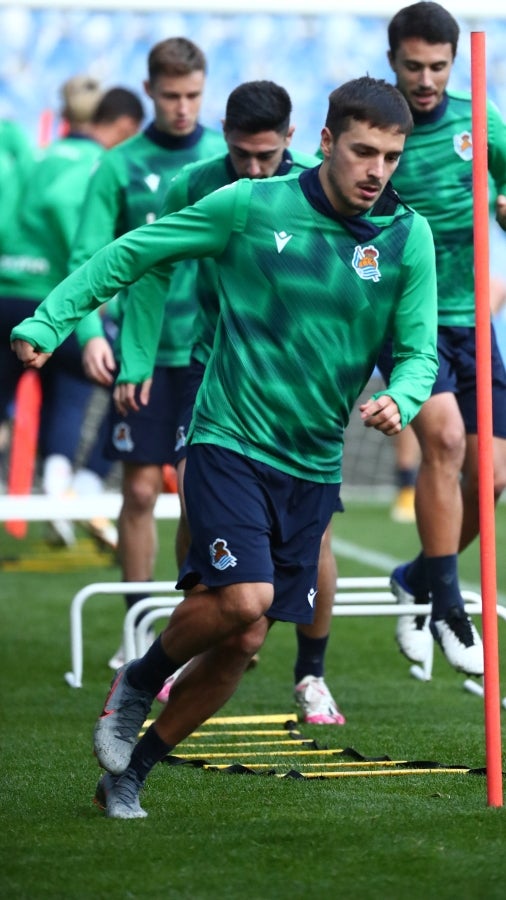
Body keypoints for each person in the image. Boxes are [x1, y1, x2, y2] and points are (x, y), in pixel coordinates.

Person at [11, 74, 439, 818]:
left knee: (243, 643)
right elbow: (135, 252)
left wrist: (401, 398)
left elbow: (418, 351)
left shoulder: (409, 236)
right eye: (364, 151)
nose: (378, 171)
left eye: (392, 157)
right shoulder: (250, 206)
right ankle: (138, 680)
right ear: (326, 143)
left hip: (314, 464)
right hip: (230, 439)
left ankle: (131, 771)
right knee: (246, 598)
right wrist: (52, 322)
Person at [116, 79, 344, 724]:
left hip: (302, 389)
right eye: (241, 154)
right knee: (193, 493)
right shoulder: (199, 182)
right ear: (225, 136)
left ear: (293, 141)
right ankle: (197, 635)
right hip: (213, 370)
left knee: (319, 532)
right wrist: (137, 357)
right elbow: (154, 263)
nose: (251, 168)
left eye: (265, 157)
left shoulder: (322, 188)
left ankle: (311, 673)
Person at [66, 37, 225, 663]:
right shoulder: (118, 165)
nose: (183, 107)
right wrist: (87, 335)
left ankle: (195, 622)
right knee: (137, 493)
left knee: (196, 490)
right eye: (171, 96)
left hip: (210, 352)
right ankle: (138, 625)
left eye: (193, 95)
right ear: (151, 91)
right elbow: (85, 258)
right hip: (142, 353)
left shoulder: (223, 155)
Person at [380, 1, 506, 676]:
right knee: (448, 442)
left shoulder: (479, 117)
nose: (425, 79)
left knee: (492, 478)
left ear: (453, 63)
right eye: (413, 66)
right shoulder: (376, 129)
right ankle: (450, 606)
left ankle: (417, 579)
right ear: (393, 60)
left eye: (438, 67)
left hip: (471, 318)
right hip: (406, 319)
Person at [0, 77, 143, 546]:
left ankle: (63, 498)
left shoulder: (38, 157)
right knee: (104, 386)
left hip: (8, 294)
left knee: (40, 402)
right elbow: (67, 211)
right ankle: (76, 494)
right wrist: (86, 275)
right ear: (121, 125)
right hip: (51, 305)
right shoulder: (95, 162)